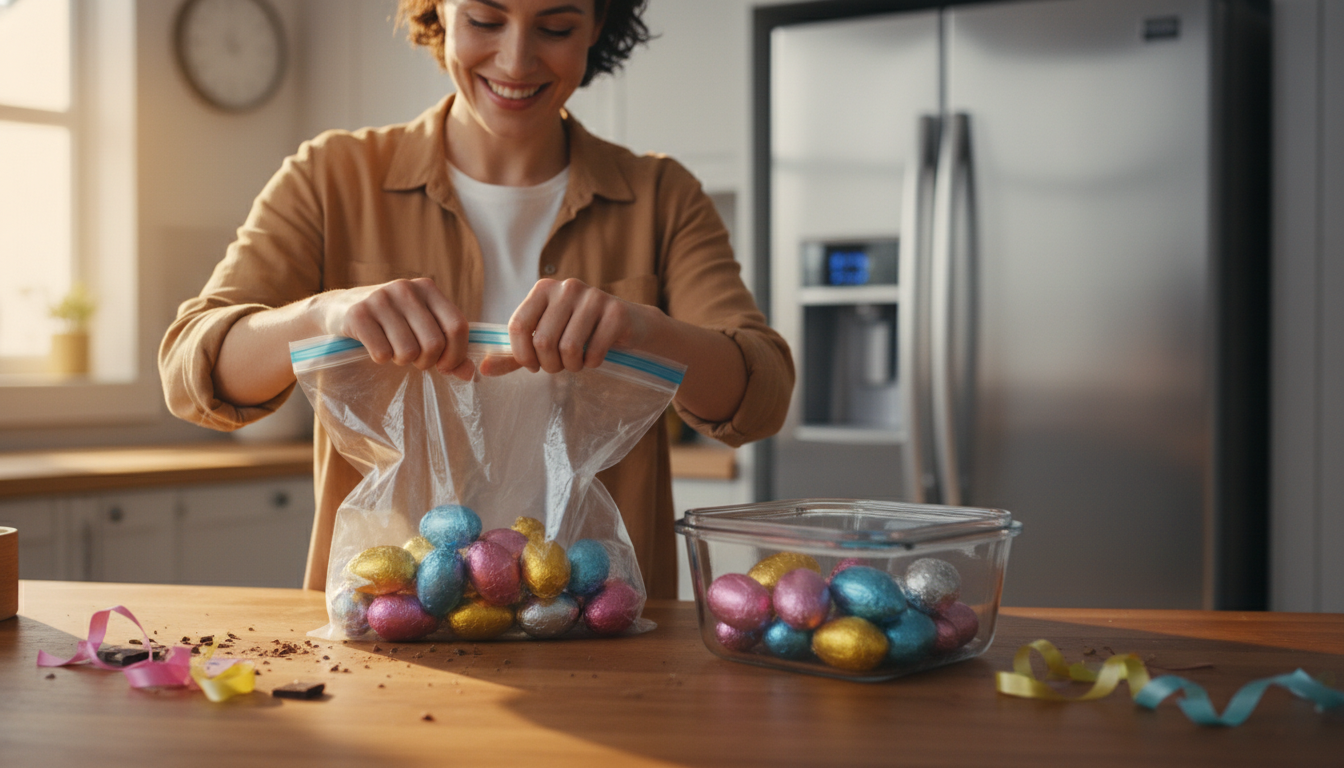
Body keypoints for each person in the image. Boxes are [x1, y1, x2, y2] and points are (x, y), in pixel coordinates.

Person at [159, 0, 794, 600]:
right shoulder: (331, 177)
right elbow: (193, 370)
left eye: (556, 27)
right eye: (486, 20)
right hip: (389, 628)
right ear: (438, 9)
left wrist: (644, 331)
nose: (516, 62)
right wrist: (323, 314)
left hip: (601, 626)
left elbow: (760, 395)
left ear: (599, 22)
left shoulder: (662, 197)